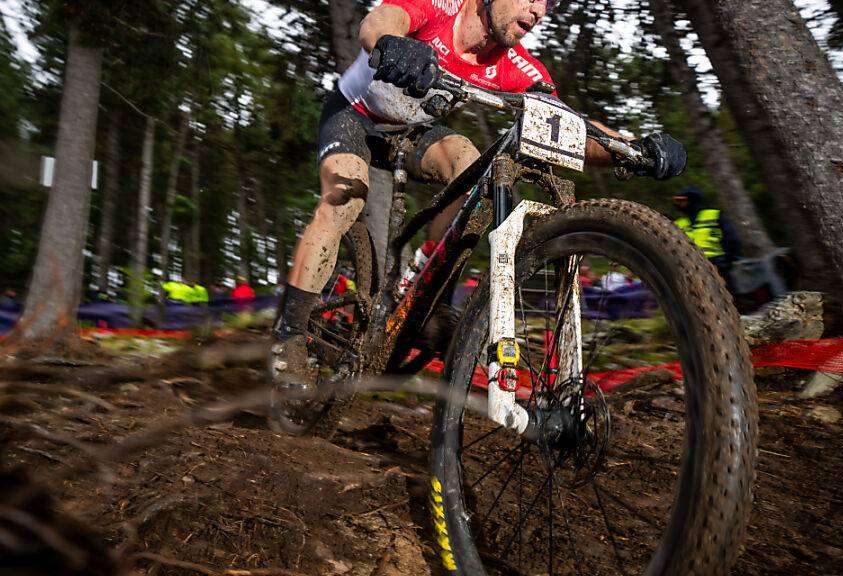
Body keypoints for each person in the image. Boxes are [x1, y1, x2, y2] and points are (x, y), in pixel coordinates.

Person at [269, 0, 688, 384]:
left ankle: (417, 281)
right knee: (344, 200)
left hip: (415, 130)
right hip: (355, 116)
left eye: (549, 2)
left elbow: (570, 128)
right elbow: (379, 21)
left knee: (470, 165)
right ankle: (288, 340)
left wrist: (631, 150)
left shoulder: (514, 65)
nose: (540, 10)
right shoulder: (440, 6)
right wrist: (394, 43)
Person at [672, 186, 741, 288]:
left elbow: (732, 239)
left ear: (693, 200)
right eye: (677, 201)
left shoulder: (714, 215)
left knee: (729, 297)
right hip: (693, 269)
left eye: (682, 200)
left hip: (719, 266)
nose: (679, 204)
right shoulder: (678, 223)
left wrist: (727, 259)